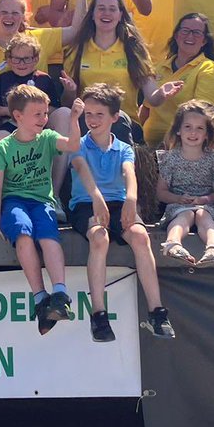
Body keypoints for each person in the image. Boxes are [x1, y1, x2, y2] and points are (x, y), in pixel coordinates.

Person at [0, 0, 88, 219]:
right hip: (5, 120)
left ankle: (53, 197)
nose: (9, 17)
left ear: (22, 17)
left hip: (38, 120)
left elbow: (75, 31)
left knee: (62, 114)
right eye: (4, 12)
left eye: (16, 13)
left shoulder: (38, 39)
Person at [69, 84, 175, 342]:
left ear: (115, 117)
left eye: (99, 115)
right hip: (86, 202)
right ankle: (99, 314)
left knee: (140, 236)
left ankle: (157, 311)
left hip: (117, 203)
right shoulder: (78, 144)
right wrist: (96, 199)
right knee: (99, 238)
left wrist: (131, 198)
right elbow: (82, 171)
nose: (92, 120)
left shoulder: (124, 148)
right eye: (88, 114)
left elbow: (129, 172)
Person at [0, 85, 82, 335]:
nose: (44, 119)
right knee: (23, 233)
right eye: (37, 114)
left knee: (49, 236)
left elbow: (73, 144)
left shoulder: (49, 138)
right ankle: (40, 296)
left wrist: (73, 118)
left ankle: (60, 293)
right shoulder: (4, 147)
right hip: (14, 201)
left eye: (45, 113)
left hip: (42, 201)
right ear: (18, 116)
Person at [0, 32, 78, 222]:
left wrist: (68, 93)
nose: (22, 63)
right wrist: (13, 113)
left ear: (36, 59)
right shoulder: (3, 79)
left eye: (27, 59)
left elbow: (56, 107)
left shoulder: (44, 79)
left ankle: (54, 196)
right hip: (10, 126)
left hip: (38, 129)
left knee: (64, 114)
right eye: (16, 58)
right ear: (8, 59)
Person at [66, 0, 184, 141]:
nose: (106, 13)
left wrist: (162, 93)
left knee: (117, 121)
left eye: (112, 9)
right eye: (101, 8)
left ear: (121, 15)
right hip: (88, 124)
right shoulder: (77, 50)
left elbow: (153, 98)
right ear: (93, 15)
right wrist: (70, 91)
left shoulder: (134, 49)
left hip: (124, 124)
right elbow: (68, 101)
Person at [139, 13, 214, 148]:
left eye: (197, 33)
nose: (190, 36)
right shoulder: (159, 67)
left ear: (204, 41)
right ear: (176, 35)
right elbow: (146, 109)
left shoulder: (209, 69)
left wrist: (168, 145)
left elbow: (202, 118)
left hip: (183, 148)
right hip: (149, 145)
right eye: (185, 31)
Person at [158, 100, 214, 266]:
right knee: (186, 215)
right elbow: (161, 191)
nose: (193, 132)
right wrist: (178, 199)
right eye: (188, 127)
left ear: (207, 134)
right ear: (179, 130)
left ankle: (213, 248)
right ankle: (173, 243)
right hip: (179, 205)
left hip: (207, 207)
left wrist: (204, 200)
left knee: (203, 216)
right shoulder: (170, 158)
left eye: (199, 128)